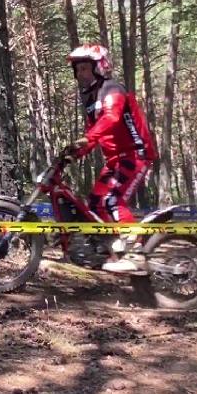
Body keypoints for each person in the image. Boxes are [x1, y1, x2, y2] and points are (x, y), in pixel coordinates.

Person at [64, 44, 159, 273]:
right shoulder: (90, 100)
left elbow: (112, 118)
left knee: (112, 200)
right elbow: (93, 135)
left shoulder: (112, 89)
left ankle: (136, 252)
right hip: (115, 159)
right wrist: (73, 153)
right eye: (78, 70)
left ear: (99, 67)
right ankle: (114, 251)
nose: (80, 75)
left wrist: (86, 140)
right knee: (95, 203)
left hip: (136, 154)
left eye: (85, 68)